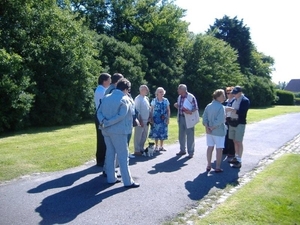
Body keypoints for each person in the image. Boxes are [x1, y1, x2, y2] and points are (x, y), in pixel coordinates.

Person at [97, 78, 140, 188]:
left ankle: (111, 178)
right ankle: (128, 181)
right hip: (119, 131)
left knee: (110, 154)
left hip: (106, 130)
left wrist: (103, 122)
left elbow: (99, 112)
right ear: (125, 89)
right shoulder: (124, 99)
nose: (128, 92)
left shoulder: (106, 97)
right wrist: (109, 122)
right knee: (123, 156)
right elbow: (122, 115)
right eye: (128, 90)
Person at [202, 89, 227, 172]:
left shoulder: (208, 106)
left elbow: (204, 118)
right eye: (222, 96)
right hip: (218, 131)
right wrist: (212, 127)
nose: (224, 97)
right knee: (219, 149)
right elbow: (220, 120)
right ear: (217, 97)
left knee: (210, 147)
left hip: (209, 132)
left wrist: (207, 127)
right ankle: (217, 167)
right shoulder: (221, 107)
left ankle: (208, 165)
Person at [226, 86, 250, 168]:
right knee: (234, 141)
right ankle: (236, 157)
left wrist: (232, 109)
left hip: (239, 123)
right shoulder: (233, 99)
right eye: (233, 93)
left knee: (239, 142)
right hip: (232, 122)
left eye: (235, 93)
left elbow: (242, 113)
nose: (234, 95)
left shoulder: (245, 101)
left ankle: (239, 160)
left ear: (240, 93)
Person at [174, 84, 199, 158]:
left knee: (190, 135)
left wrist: (190, 111)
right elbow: (180, 106)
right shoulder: (179, 97)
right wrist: (177, 106)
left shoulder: (191, 97)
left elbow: (195, 107)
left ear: (183, 90)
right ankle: (182, 150)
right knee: (181, 135)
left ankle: (191, 152)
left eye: (179, 89)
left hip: (189, 118)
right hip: (181, 117)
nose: (178, 90)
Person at [94, 73, 111, 167]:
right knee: (101, 138)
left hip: (101, 115)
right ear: (104, 81)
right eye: (109, 80)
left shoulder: (102, 89)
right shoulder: (101, 90)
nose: (110, 82)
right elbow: (103, 105)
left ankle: (102, 158)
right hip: (100, 116)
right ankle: (100, 160)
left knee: (103, 138)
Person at [149, 87, 170, 152]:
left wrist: (168, 118)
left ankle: (161, 146)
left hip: (163, 119)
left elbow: (168, 110)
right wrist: (151, 118)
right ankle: (156, 146)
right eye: (160, 92)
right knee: (156, 132)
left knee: (163, 132)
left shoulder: (166, 100)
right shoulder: (154, 100)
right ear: (157, 93)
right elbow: (151, 110)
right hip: (155, 119)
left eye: (162, 92)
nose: (161, 93)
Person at [133, 85, 151, 156]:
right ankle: (137, 150)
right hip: (141, 120)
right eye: (145, 89)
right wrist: (140, 120)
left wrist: (150, 117)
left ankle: (141, 148)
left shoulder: (146, 98)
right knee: (138, 135)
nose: (147, 91)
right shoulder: (138, 99)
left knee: (144, 135)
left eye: (147, 89)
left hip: (147, 120)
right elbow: (137, 110)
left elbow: (148, 109)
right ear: (141, 90)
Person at [223, 86, 235, 157]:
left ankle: (231, 151)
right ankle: (226, 149)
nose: (228, 94)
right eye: (227, 93)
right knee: (226, 135)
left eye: (229, 93)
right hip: (226, 119)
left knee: (231, 136)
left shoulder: (234, 101)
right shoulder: (227, 101)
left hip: (232, 120)